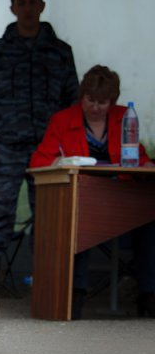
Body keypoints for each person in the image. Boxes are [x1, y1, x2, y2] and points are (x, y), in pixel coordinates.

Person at [0, 0, 78, 289]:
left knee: (50, 215)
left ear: (42, 6)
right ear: (12, 8)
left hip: (49, 150)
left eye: (33, 2)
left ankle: (47, 280)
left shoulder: (60, 52)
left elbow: (72, 102)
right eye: (22, 3)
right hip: (4, 146)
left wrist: (68, 148)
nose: (28, 8)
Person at [29, 65, 154, 319]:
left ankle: (149, 294)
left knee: (150, 220)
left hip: (121, 196)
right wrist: (55, 163)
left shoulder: (124, 118)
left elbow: (138, 158)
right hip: (81, 198)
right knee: (78, 220)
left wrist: (147, 163)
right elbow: (37, 162)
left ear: (113, 101)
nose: (95, 107)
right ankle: (75, 294)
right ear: (81, 96)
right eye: (90, 100)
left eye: (102, 102)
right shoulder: (63, 120)